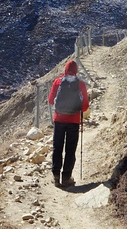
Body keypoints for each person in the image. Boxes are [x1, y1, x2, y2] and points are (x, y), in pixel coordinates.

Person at [48, 60, 89, 188]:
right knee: (70, 150)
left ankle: (56, 176)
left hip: (59, 119)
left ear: (65, 69)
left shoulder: (58, 82)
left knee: (57, 148)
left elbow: (50, 100)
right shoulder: (80, 84)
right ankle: (66, 177)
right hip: (74, 121)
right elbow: (85, 106)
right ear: (76, 70)